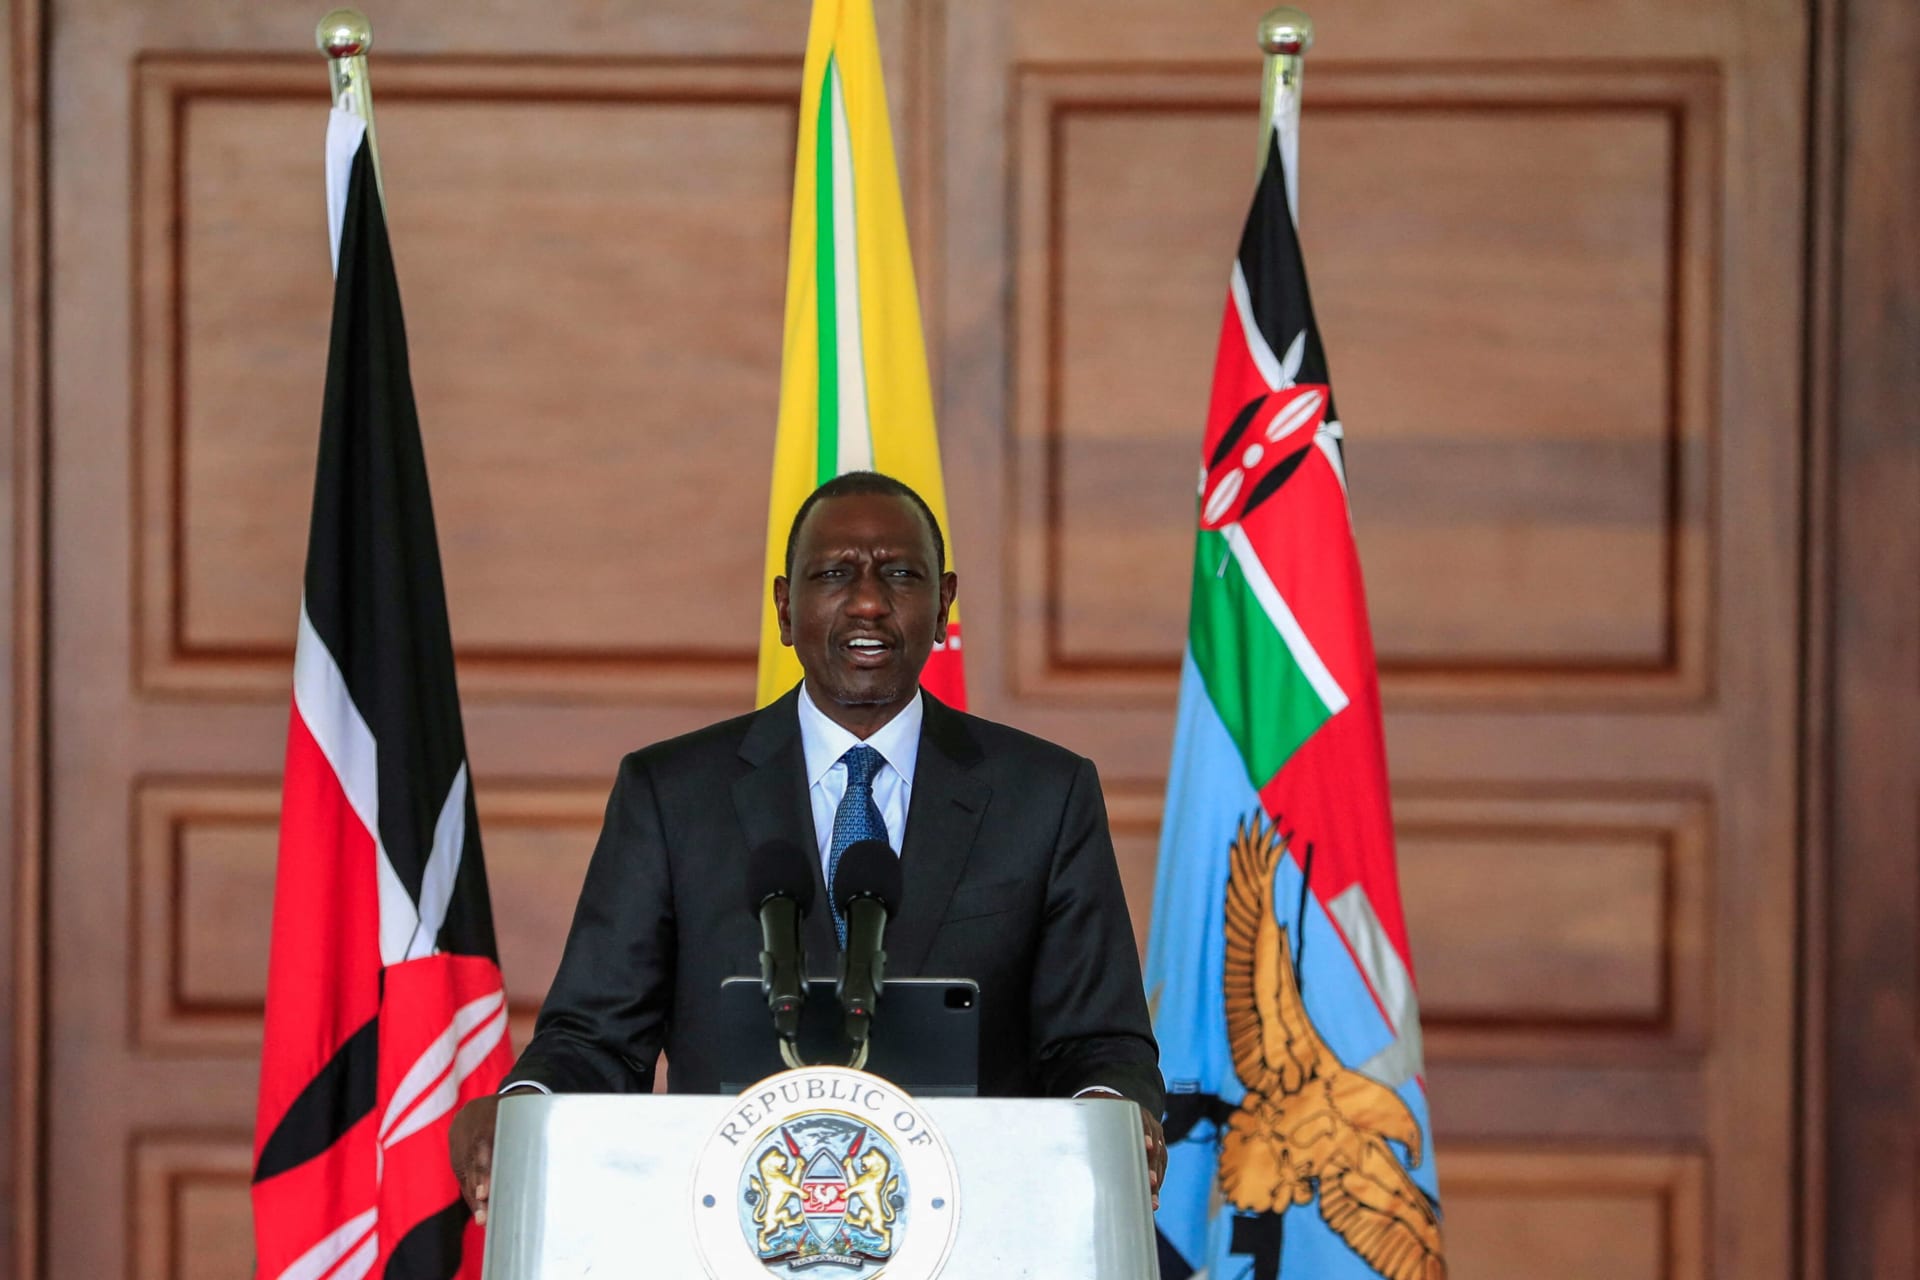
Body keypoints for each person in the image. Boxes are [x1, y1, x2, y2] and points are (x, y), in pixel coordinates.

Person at [448, 471, 1166, 1221]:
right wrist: (523, 1111)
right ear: (785, 609)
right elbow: (596, 1038)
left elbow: (1097, 1044)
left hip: (978, 1230)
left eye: (900, 573)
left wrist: (1114, 1122)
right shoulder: (671, 794)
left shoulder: (1045, 795)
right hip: (731, 1231)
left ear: (944, 604)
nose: (867, 600)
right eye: (834, 574)